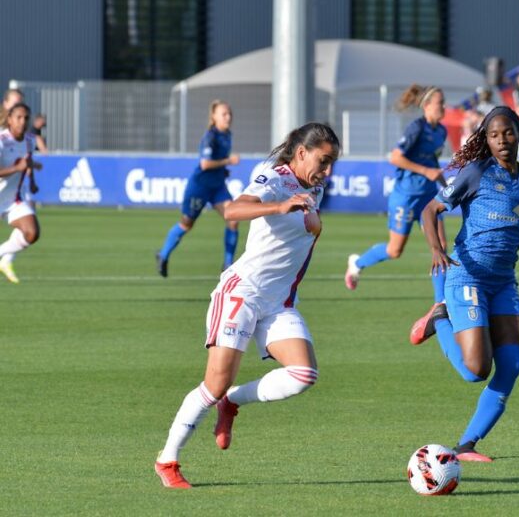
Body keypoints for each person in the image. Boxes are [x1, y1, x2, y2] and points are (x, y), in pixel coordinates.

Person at [154, 122, 340, 489]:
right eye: (323, 160)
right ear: (302, 153)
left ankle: (233, 402)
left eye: (332, 162)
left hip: (279, 301)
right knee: (214, 383)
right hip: (244, 292)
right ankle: (168, 460)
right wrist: (280, 205)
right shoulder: (272, 176)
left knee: (304, 375)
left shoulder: (313, 186)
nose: (328, 171)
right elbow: (234, 211)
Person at [408, 106, 519, 462]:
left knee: (511, 366)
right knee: (476, 370)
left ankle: (466, 445)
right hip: (467, 274)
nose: (502, 140)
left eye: (508, 133)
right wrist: (436, 249)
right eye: (493, 135)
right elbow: (430, 210)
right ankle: (439, 316)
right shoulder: (476, 173)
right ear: (485, 140)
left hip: (503, 282)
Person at [344, 84, 447, 294]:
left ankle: (441, 301)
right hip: (406, 195)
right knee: (395, 250)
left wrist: (447, 187)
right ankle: (357, 263)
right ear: (427, 105)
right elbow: (395, 157)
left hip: (428, 197)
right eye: (440, 103)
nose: (444, 107)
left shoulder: (441, 132)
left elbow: (433, 163)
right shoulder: (416, 128)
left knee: (441, 247)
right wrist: (425, 171)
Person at [156, 100, 240, 277]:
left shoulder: (228, 135)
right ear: (214, 117)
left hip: (217, 187)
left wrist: (223, 170)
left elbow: (216, 163)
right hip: (200, 187)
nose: (228, 117)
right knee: (187, 224)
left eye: (229, 113)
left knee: (233, 218)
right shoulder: (210, 137)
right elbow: (205, 164)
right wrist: (228, 161)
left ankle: (227, 264)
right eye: (224, 114)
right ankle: (163, 255)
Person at [0, 103, 42, 284]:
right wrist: (17, 168)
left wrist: (32, 181)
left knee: (32, 233)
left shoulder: (30, 140)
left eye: (26, 118)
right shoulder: (1, 140)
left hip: (11, 199)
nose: (22, 122)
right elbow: (18, 166)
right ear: (9, 119)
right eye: (18, 117)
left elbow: (27, 161)